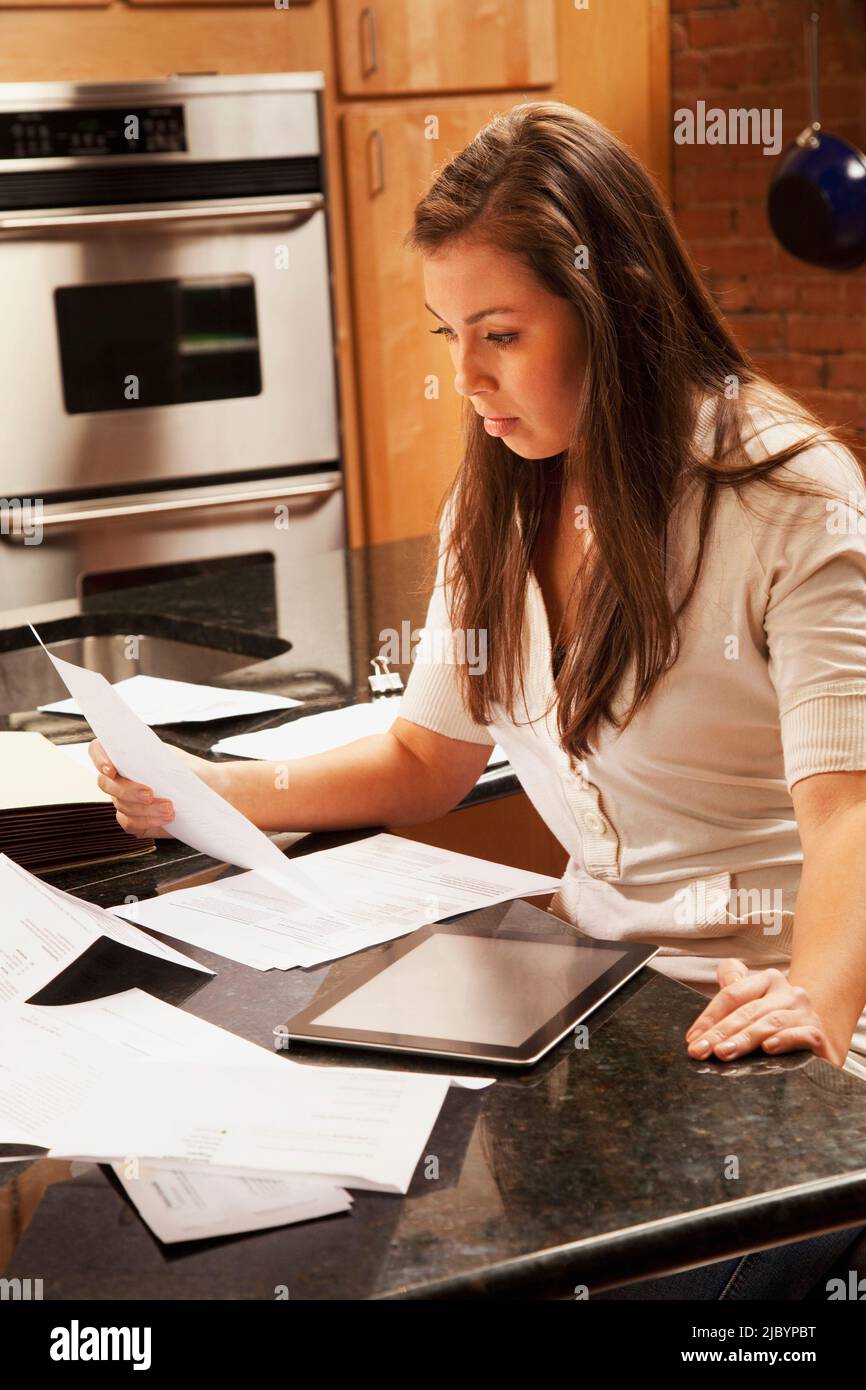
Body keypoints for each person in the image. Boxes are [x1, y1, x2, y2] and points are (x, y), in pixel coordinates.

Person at [90, 101, 866, 1299]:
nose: (465, 378)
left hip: (771, 1015)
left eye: (498, 331)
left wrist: (807, 1004)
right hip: (589, 1008)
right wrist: (199, 785)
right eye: (448, 332)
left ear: (611, 307)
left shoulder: (786, 497)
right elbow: (424, 758)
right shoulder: (497, 500)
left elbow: (848, 810)